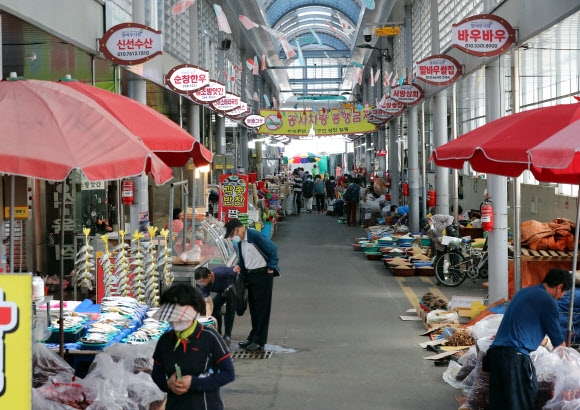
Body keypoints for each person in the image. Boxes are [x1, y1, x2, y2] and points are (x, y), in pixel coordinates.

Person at [485, 268, 572, 410]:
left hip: (496, 355)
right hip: (514, 358)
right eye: (562, 295)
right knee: (521, 404)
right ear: (560, 287)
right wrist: (571, 369)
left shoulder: (523, 292)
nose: (560, 298)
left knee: (500, 405)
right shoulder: (548, 301)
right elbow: (559, 344)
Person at [151, 283, 235, 410]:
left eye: (181, 316)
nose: (176, 321)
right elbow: (157, 373)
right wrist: (168, 384)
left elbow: (228, 373)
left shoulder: (210, 337)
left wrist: (194, 383)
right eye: (172, 318)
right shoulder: (165, 340)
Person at [224, 218, 280, 352]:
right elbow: (243, 258)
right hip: (250, 275)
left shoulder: (255, 236)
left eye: (232, 235)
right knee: (254, 308)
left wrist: (271, 267)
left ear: (237, 230)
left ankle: (260, 340)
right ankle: (253, 337)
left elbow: (273, 249)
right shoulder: (242, 242)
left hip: (262, 275)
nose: (232, 238)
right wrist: (239, 267)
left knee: (262, 309)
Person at [194, 266, 237, 346]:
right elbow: (209, 303)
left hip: (234, 288)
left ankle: (227, 335)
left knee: (230, 309)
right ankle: (218, 331)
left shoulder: (222, 273)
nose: (201, 284)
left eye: (203, 281)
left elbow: (236, 270)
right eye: (199, 282)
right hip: (223, 291)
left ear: (209, 276)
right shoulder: (203, 286)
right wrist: (208, 318)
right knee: (215, 306)